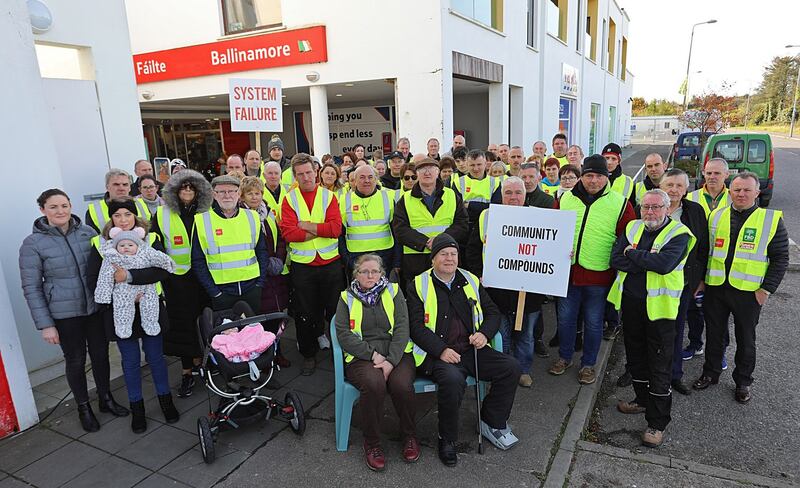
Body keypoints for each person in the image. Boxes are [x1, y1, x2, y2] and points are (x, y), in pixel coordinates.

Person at [20, 189, 128, 433]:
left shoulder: (87, 233)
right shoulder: (33, 244)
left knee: (101, 356)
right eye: (54, 207)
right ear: (42, 210)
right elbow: (31, 286)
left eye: (64, 206)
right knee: (76, 360)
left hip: (94, 308)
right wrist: (45, 324)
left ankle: (105, 398)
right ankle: (83, 407)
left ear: (70, 206)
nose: (60, 211)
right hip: (64, 314)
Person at [407, 234, 521, 466]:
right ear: (433, 259)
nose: (449, 258)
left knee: (511, 367)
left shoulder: (470, 279)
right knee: (452, 381)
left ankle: (491, 420)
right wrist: (440, 350)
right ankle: (446, 438)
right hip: (438, 354)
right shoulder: (418, 284)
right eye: (443, 254)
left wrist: (484, 334)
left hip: (471, 349)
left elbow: (493, 312)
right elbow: (415, 327)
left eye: (453, 254)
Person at [692, 172, 789, 403]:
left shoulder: (771, 220)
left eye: (747, 190)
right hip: (716, 287)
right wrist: (702, 280)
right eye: (736, 190)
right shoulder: (716, 216)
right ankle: (710, 373)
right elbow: (705, 251)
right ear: (730, 191)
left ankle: (743, 381)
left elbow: (780, 258)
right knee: (714, 334)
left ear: (757, 192)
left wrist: (766, 290)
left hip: (749, 292)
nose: (741, 194)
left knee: (746, 339)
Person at [609, 189, 695, 448]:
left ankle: (657, 423)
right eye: (646, 207)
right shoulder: (634, 227)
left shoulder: (679, 233)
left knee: (659, 364)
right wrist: (642, 259)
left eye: (656, 207)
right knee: (636, 357)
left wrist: (631, 255)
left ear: (668, 209)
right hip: (632, 305)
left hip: (661, 312)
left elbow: (664, 265)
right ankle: (640, 400)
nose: (650, 212)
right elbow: (615, 259)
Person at [86, 198, 177, 433]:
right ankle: (138, 410)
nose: (123, 220)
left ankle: (166, 401)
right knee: (130, 362)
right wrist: (122, 295)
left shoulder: (152, 239)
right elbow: (94, 279)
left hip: (151, 307)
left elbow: (162, 271)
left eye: (128, 214)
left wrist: (131, 278)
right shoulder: (100, 244)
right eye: (118, 215)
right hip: (120, 312)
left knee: (156, 358)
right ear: (111, 220)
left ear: (135, 217)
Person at [549, 155, 636, 384]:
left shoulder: (620, 203)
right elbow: (550, 231)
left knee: (594, 321)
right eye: (589, 175)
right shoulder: (565, 198)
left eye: (599, 176)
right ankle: (564, 357)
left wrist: (619, 266)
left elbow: (629, 238)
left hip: (599, 274)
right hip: (568, 273)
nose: (594, 180)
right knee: (565, 319)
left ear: (606, 177)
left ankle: (588, 364)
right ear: (582, 176)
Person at [335, 254, 418, 470]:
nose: (370, 275)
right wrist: (373, 355)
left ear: (382, 273)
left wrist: (391, 360)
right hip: (363, 356)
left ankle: (409, 436)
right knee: (374, 384)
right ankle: (372, 443)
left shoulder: (394, 291)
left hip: (396, 352)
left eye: (374, 271)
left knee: (401, 385)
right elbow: (343, 334)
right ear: (356, 274)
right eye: (364, 271)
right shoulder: (346, 297)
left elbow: (402, 327)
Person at [467, 177, 546, 387]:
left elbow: (548, 250)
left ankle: (523, 370)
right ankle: (504, 370)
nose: (513, 197)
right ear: (501, 195)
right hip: (495, 290)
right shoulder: (487, 216)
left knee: (526, 335)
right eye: (508, 193)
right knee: (501, 334)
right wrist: (478, 276)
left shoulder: (539, 217)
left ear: (525, 194)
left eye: (518, 192)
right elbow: (473, 250)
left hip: (528, 291)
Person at [280, 153, 344, 376]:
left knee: (336, 310)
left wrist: (306, 226)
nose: (306, 177)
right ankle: (308, 354)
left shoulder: (328, 196)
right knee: (305, 312)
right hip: (303, 265)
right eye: (301, 174)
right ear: (295, 176)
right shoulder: (289, 199)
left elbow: (336, 229)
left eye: (309, 172)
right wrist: (319, 229)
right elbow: (289, 234)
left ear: (315, 172)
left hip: (330, 263)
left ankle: (343, 352)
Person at [150, 169, 213, 397]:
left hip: (204, 276)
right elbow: (153, 244)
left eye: (191, 187)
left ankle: (205, 363)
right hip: (177, 280)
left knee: (206, 322)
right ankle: (187, 371)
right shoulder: (161, 214)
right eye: (183, 187)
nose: (187, 190)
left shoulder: (208, 211)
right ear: (174, 191)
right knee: (182, 326)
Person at [192, 175, 279, 315]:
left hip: (251, 289)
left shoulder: (252, 217)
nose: (227, 195)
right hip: (222, 292)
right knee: (228, 335)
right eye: (222, 192)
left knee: (253, 332)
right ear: (214, 195)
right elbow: (198, 261)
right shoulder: (203, 221)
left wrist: (259, 284)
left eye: (231, 191)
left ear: (238, 194)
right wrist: (214, 292)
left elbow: (262, 253)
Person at [659, 169, 709, 395]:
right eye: (669, 184)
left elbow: (703, 248)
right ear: (661, 186)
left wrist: (700, 280)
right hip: (653, 281)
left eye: (679, 185)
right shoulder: (650, 207)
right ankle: (642, 373)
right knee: (649, 330)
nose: (674, 189)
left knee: (677, 330)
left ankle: (674, 375)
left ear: (686, 189)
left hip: (683, 283)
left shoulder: (695, 211)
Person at [238, 176, 291, 366]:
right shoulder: (239, 217)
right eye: (250, 193)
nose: (254, 197)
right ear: (242, 196)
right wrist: (263, 264)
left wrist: (279, 259)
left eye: (258, 193)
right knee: (258, 319)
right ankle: (263, 359)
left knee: (276, 315)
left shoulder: (268, 214)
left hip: (275, 276)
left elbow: (281, 239)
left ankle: (277, 351)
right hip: (256, 276)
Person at [682, 158, 731, 360]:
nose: (712, 177)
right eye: (709, 173)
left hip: (722, 266)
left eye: (717, 173)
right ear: (703, 173)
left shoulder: (733, 198)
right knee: (693, 308)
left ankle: (720, 351)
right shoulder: (692, 197)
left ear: (726, 175)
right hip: (696, 263)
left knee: (719, 313)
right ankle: (695, 343)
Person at [393, 158, 469, 283]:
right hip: (416, 260)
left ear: (438, 172)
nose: (427, 173)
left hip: (447, 258)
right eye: (422, 169)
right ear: (417, 173)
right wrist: (425, 242)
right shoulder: (405, 199)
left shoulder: (451, 195)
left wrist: (440, 241)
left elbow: (462, 224)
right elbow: (400, 229)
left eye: (431, 169)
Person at [94, 227, 176, 339]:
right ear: (116, 247)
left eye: (130, 245)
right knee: (122, 309)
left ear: (137, 246)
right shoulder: (113, 258)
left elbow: (159, 258)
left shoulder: (145, 253)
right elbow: (104, 278)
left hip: (146, 288)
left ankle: (151, 324)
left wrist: (168, 263)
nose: (126, 248)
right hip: (124, 290)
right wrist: (103, 297)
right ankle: (123, 327)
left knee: (150, 306)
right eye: (122, 246)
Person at [340, 165, 399, 281]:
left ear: (376, 179)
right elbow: (340, 234)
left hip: (384, 255)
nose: (366, 181)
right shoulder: (344, 200)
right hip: (355, 257)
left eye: (370, 177)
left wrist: (396, 261)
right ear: (355, 181)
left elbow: (397, 232)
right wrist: (346, 259)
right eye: (362, 177)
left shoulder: (387, 197)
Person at [452, 149, 502, 229]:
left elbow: (496, 209)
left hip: (489, 226)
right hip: (466, 227)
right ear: (467, 165)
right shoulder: (458, 182)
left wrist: (469, 205)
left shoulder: (495, 182)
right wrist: (485, 206)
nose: (476, 168)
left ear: (485, 164)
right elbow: (457, 210)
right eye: (472, 165)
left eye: (479, 164)